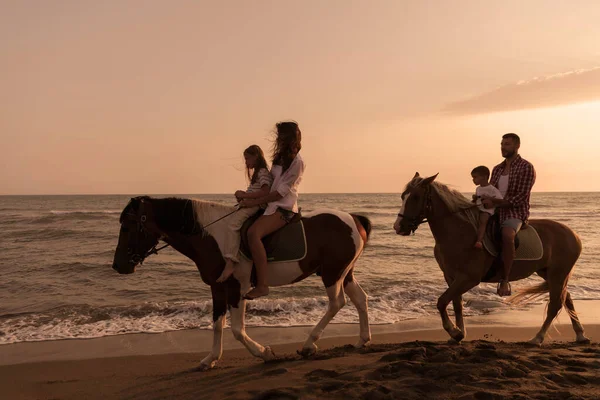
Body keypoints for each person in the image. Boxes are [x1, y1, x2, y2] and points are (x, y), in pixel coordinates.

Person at [239, 121, 305, 300]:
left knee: (253, 234)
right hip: (269, 205)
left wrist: (255, 200)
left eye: (281, 136)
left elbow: (279, 193)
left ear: (289, 137)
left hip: (283, 208)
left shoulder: (297, 162)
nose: (278, 139)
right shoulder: (279, 158)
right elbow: (270, 184)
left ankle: (262, 285)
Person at [481, 133, 536, 296]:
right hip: (495, 210)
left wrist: (495, 202)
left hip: (515, 211)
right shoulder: (497, 168)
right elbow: (490, 190)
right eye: (502, 144)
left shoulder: (526, 167)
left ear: (517, 146)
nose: (503, 147)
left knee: (507, 235)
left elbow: (521, 197)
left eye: (507, 144)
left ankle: (504, 280)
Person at [216, 145, 272, 283]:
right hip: (252, 203)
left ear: (256, 157)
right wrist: (243, 196)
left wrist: (246, 195)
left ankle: (231, 261)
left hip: (256, 206)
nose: (246, 162)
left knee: (232, 225)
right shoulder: (258, 173)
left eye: (247, 158)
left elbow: (266, 192)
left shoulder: (263, 172)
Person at [471, 165, 503, 249]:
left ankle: (479, 241)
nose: (473, 179)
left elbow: (500, 200)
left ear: (484, 177)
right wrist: (474, 199)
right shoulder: (478, 189)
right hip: (478, 208)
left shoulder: (492, 189)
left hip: (487, 210)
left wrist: (490, 200)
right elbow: (478, 199)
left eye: (475, 177)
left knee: (483, 220)